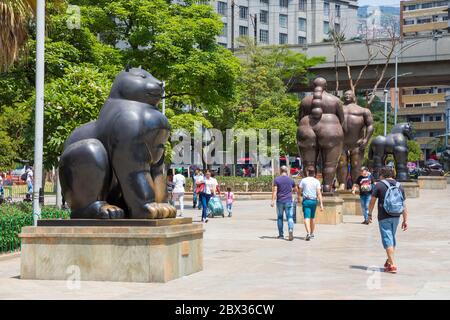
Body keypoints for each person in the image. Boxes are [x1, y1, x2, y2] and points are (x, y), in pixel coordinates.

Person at [368, 166, 408, 274]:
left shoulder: (379, 185)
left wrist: (369, 213)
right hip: (396, 215)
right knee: (391, 238)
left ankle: (393, 265)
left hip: (384, 216)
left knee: (387, 239)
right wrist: (405, 219)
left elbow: (372, 201)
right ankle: (389, 261)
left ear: (382, 174)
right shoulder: (399, 186)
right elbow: (403, 204)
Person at [271, 166, 297, 241]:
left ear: (280, 171)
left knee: (280, 217)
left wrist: (272, 201)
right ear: (286, 171)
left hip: (279, 201)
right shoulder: (291, 180)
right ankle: (290, 230)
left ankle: (281, 235)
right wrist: (296, 195)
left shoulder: (277, 180)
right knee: (290, 217)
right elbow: (296, 189)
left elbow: (275, 191)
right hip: (288, 201)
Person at [298, 168, 323, 241]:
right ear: (314, 173)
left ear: (308, 172)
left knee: (306, 217)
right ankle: (312, 233)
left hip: (306, 200)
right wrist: (321, 204)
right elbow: (319, 193)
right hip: (313, 201)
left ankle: (308, 233)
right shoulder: (317, 181)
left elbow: (299, 190)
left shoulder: (304, 180)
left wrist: (299, 197)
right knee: (312, 217)